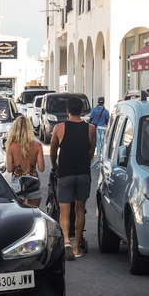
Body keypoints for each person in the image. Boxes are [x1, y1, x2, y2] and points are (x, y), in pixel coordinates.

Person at [50, 96, 96, 260]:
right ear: (82, 110)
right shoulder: (91, 129)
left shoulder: (59, 128)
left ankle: (67, 241)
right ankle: (77, 248)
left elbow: (53, 150)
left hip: (65, 173)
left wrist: (54, 165)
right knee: (80, 210)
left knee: (64, 211)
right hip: (83, 173)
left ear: (67, 111)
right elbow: (91, 152)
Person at [6, 116, 45, 207]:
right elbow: (41, 168)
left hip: (17, 180)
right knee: (34, 212)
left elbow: (9, 169)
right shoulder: (37, 145)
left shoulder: (11, 146)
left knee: (19, 213)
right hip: (32, 180)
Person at [89, 96, 110, 165]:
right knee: (102, 143)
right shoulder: (106, 111)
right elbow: (107, 121)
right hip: (103, 130)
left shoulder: (93, 110)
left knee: (94, 143)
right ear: (103, 102)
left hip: (95, 129)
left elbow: (90, 120)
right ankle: (101, 156)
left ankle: (93, 156)